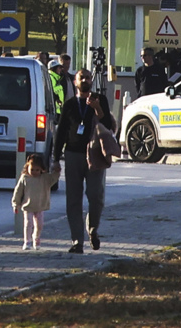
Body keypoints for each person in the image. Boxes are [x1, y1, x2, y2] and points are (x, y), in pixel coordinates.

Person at [51, 70, 116, 253]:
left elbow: (108, 126)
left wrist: (97, 108)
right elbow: (62, 131)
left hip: (95, 154)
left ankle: (93, 229)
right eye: (82, 78)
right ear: (75, 82)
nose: (85, 80)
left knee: (96, 196)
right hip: (73, 154)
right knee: (73, 199)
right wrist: (55, 159)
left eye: (88, 77)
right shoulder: (70, 104)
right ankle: (77, 241)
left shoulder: (99, 99)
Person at [12, 152, 52, 251]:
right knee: (28, 223)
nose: (34, 172)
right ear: (27, 167)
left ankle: (36, 237)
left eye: (37, 170)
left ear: (41, 169)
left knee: (39, 224)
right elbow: (18, 191)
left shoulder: (44, 179)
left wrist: (56, 171)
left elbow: (53, 179)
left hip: (39, 206)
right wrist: (15, 204)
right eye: (32, 169)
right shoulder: (25, 178)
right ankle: (27, 241)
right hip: (28, 206)